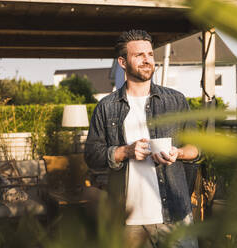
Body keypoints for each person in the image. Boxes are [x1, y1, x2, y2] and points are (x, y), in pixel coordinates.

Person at [84, 30, 199, 248]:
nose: (147, 60)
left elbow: (196, 148)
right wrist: (125, 152)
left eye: (150, 54)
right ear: (122, 62)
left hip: (175, 215)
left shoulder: (176, 100)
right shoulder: (106, 107)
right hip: (127, 221)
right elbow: (91, 155)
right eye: (139, 55)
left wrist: (179, 153)